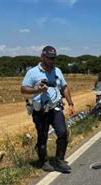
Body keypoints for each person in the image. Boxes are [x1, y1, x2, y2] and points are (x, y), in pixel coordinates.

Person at [20, 45, 74, 173]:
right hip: (40, 110)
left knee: (62, 132)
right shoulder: (32, 72)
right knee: (42, 135)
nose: (51, 61)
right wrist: (37, 90)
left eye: (53, 58)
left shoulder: (57, 71)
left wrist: (71, 103)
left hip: (55, 107)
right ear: (42, 56)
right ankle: (44, 161)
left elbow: (64, 87)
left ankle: (60, 160)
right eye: (49, 58)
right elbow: (23, 89)